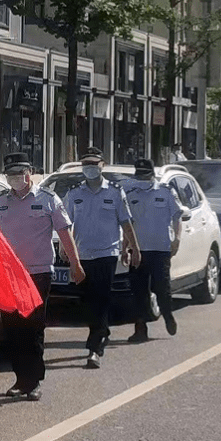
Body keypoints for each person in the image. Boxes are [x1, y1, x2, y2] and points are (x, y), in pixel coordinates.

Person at [0, 153, 85, 401]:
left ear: (30, 172)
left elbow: (64, 233)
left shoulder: (48, 200)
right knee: (12, 329)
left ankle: (33, 380)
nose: (15, 178)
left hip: (38, 273)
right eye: (10, 174)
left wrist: (75, 264)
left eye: (19, 173)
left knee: (33, 327)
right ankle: (21, 378)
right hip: (10, 275)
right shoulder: (0, 202)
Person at [62, 147, 142, 369]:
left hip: (107, 253)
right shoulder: (74, 193)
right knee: (87, 302)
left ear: (102, 165)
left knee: (101, 298)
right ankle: (102, 330)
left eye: (93, 164)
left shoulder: (115, 192)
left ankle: (94, 348)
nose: (89, 168)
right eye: (85, 164)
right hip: (82, 254)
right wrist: (65, 250)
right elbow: (65, 225)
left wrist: (134, 248)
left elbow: (126, 222)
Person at [123, 158, 184, 342]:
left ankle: (167, 315)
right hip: (138, 249)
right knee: (138, 291)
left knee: (161, 287)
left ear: (153, 175)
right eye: (140, 176)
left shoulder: (166, 192)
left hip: (160, 249)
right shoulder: (130, 193)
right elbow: (128, 223)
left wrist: (177, 239)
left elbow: (177, 216)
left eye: (145, 176)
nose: (142, 180)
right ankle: (140, 328)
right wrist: (125, 247)